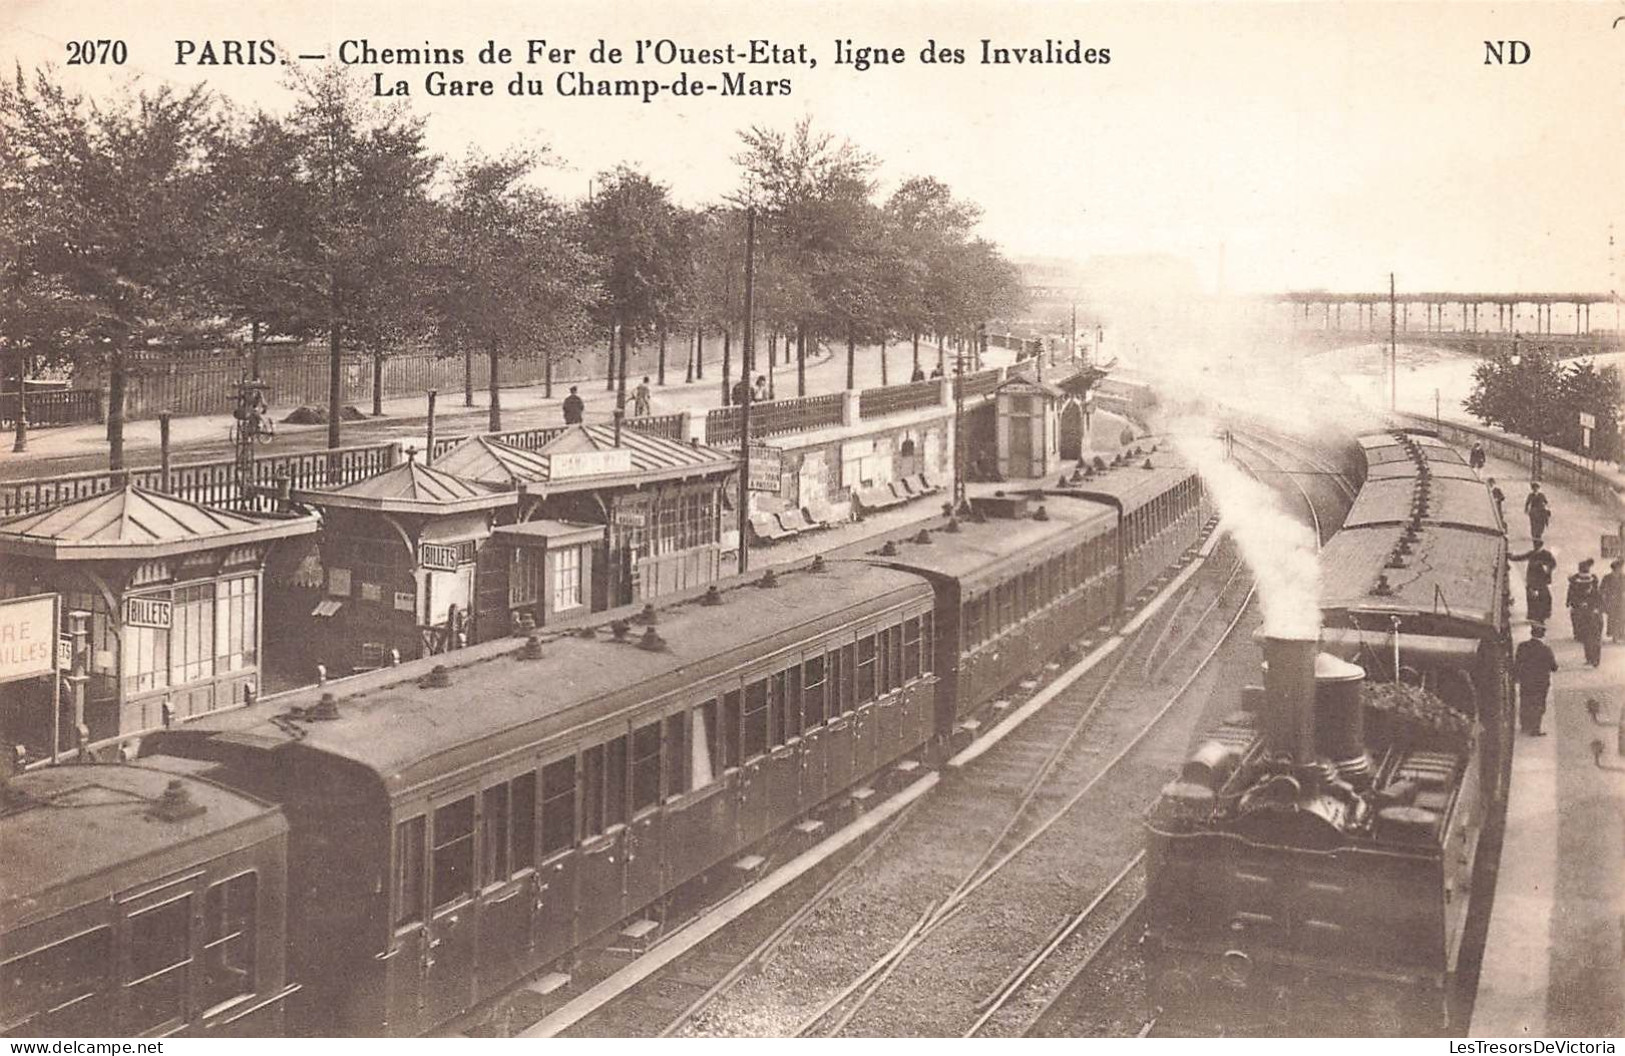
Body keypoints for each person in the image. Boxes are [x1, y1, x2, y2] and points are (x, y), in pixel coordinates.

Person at [1513, 624, 1558, 736]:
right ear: (1542, 635)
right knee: (1538, 704)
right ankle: (1535, 729)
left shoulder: (1522, 646)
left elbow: (1517, 663)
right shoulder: (1545, 649)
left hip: (1526, 680)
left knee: (1525, 701)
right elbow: (1554, 667)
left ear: (1532, 633)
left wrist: (1517, 676)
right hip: (1541, 682)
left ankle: (1525, 725)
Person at [1510, 538, 1557, 623]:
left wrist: (1546, 568)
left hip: (1539, 578)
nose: (1536, 546)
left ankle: (1543, 613)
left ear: (1541, 545)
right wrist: (1511, 557)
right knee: (1535, 596)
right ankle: (1535, 614)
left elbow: (1553, 564)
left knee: (1543, 596)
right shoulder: (1534, 553)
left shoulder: (1545, 554)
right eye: (1535, 545)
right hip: (1534, 579)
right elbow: (1520, 557)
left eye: (1537, 545)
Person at [1566, 558, 1603, 665]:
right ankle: (1590, 658)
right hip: (1586, 616)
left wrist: (1596, 609)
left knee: (1594, 639)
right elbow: (1572, 595)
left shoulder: (1593, 588)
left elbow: (1600, 601)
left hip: (1593, 616)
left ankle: (1595, 659)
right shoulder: (1580, 582)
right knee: (1588, 638)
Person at [1603, 558, 1625, 644]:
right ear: (1614, 569)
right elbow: (1602, 589)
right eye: (1619, 568)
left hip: (1622, 601)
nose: (1620, 570)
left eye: (1621, 568)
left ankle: (1622, 635)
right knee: (1613, 618)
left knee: (1622, 618)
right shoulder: (1607, 578)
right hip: (1611, 601)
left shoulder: (1623, 577)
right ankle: (1615, 637)